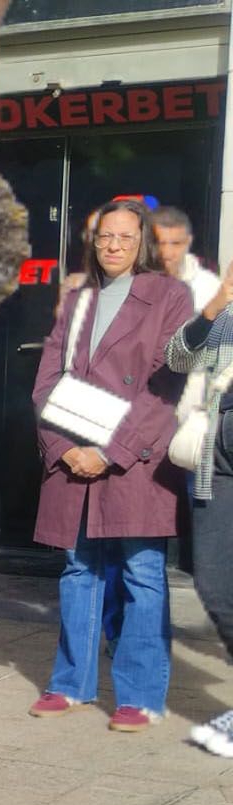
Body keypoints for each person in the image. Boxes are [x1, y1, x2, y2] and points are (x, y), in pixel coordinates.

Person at [29, 199, 193, 733]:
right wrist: (63, 448)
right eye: (105, 238)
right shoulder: (78, 300)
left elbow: (166, 387)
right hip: (76, 454)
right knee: (79, 570)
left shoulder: (170, 295)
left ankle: (140, 696)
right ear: (93, 244)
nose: (114, 246)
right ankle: (70, 683)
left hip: (135, 461)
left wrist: (112, 452)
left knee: (143, 574)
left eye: (125, 237)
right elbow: (46, 381)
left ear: (141, 241)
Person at [168, 271, 233, 755]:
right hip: (220, 464)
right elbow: (177, 357)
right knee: (213, 582)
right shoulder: (226, 314)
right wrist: (215, 305)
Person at [150, 205, 219, 313]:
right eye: (160, 243)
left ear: (188, 241)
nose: (167, 253)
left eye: (176, 244)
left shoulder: (210, 289)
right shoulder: (129, 282)